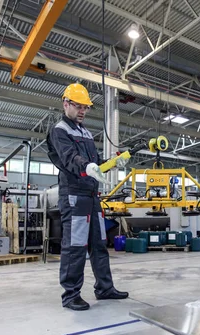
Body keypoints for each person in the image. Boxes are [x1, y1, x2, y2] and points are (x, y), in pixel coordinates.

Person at [47, 83, 129, 311]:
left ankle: (105, 288)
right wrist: (88, 166)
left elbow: (96, 165)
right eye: (78, 106)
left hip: (92, 196)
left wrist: (113, 163)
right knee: (75, 246)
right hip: (74, 196)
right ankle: (71, 295)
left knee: (99, 244)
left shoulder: (85, 132)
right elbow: (70, 158)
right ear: (66, 104)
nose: (83, 111)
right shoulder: (60, 130)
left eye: (86, 107)